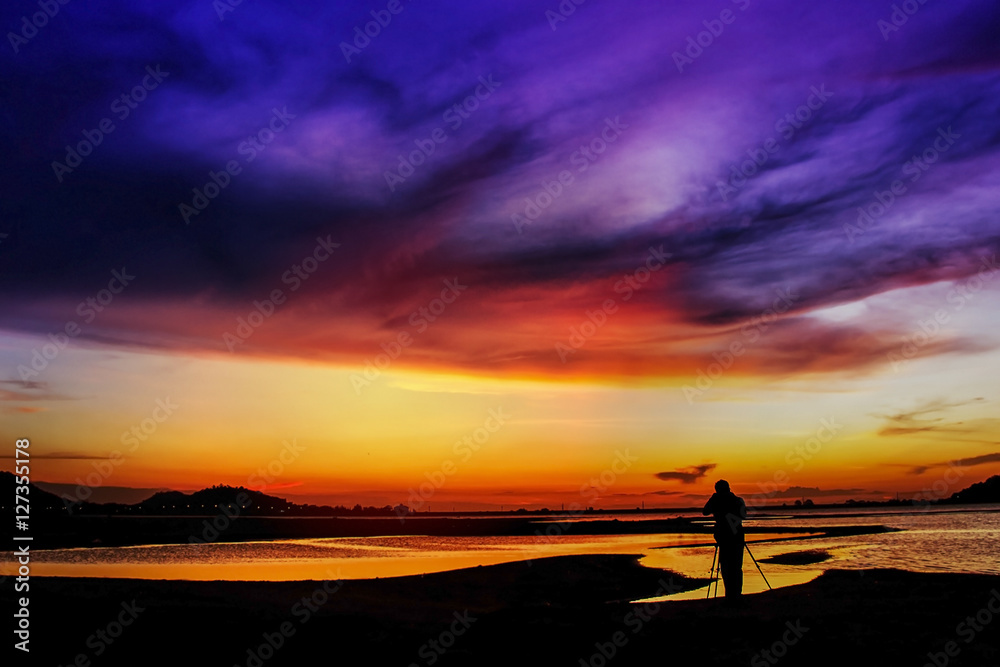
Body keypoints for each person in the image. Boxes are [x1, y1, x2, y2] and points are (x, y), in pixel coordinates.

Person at [702, 479, 747, 601]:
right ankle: (736, 594)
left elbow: (705, 511)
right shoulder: (737, 500)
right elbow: (744, 515)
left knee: (727, 566)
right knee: (736, 566)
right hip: (736, 535)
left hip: (724, 535)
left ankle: (730, 595)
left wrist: (714, 498)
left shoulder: (717, 500)